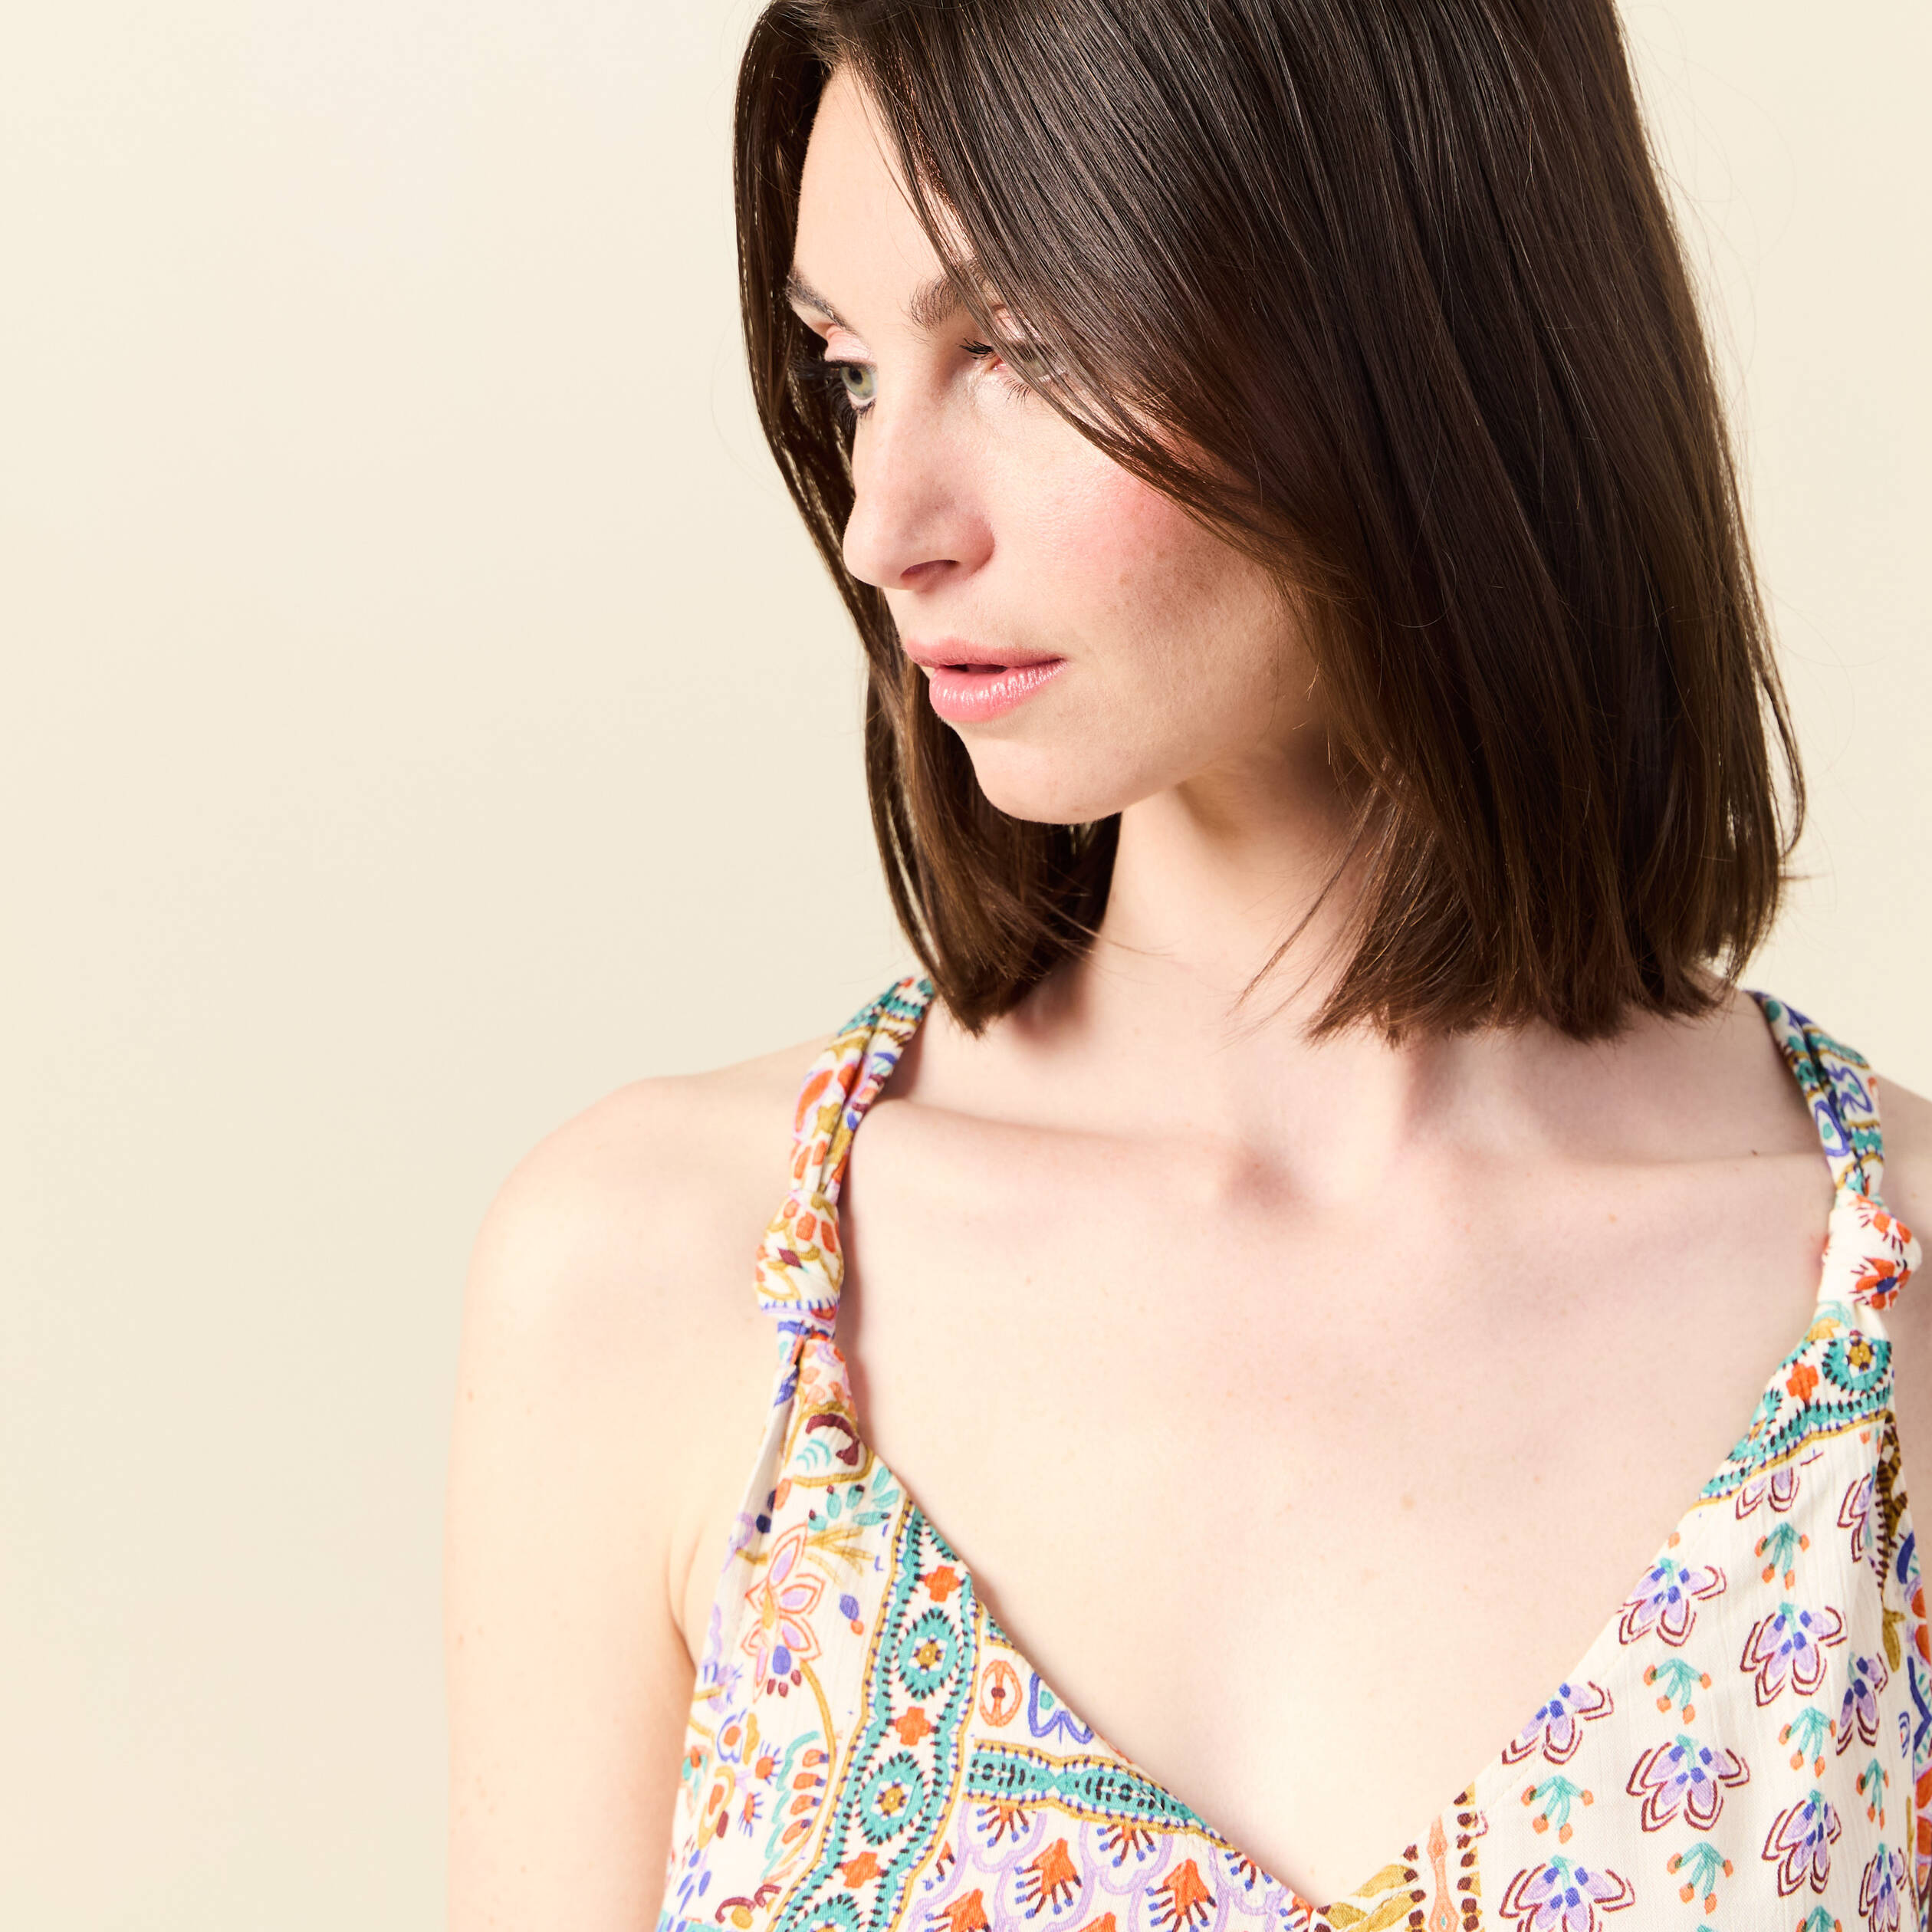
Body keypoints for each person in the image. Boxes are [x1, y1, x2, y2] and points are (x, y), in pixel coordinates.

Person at [444, 2, 1932, 1927]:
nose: (887, 526)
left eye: (1022, 349)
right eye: (849, 373)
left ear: (1404, 312)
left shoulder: (1886, 1308)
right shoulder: (662, 1279)